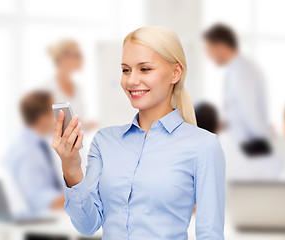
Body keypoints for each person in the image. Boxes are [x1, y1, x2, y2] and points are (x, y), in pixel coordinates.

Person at [51, 26, 226, 239]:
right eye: (126, 70)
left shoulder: (203, 146)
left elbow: (210, 234)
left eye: (144, 69)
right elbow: (87, 225)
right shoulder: (104, 142)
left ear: (175, 73)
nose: (132, 80)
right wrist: (71, 167)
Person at [202, 23, 271, 156]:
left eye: (209, 50)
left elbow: (250, 111)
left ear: (221, 47)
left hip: (251, 149)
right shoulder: (236, 70)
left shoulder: (242, 72)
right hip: (245, 147)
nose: (208, 56)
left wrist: (265, 141)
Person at [4, 91, 65, 212]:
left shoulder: (36, 145)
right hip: (40, 222)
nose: (58, 118)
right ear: (43, 118)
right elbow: (38, 197)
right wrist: (80, 201)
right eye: (54, 113)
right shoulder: (27, 150)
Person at [45, 39, 96, 130]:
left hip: (77, 142)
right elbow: (43, 126)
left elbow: (75, 122)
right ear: (63, 59)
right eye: (77, 55)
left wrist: (88, 125)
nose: (82, 59)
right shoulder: (47, 89)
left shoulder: (79, 88)